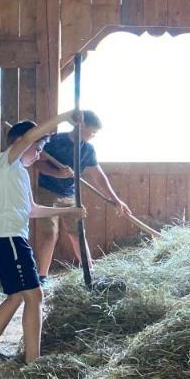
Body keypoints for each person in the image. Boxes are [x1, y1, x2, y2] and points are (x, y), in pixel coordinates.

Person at [0, 114, 87, 367]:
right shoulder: (6, 163)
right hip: (8, 238)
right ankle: (33, 362)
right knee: (34, 296)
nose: (39, 154)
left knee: (16, 296)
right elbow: (29, 136)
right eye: (38, 149)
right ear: (22, 145)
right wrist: (67, 116)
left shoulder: (21, 175)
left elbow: (33, 210)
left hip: (8, 239)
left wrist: (68, 211)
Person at [33, 109, 133, 280]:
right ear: (81, 126)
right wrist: (57, 173)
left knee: (77, 233)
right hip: (48, 192)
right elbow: (38, 163)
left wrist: (116, 200)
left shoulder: (87, 150)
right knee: (50, 234)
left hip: (71, 194)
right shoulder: (55, 141)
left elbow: (99, 177)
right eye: (92, 131)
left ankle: (90, 273)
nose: (93, 135)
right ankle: (42, 278)